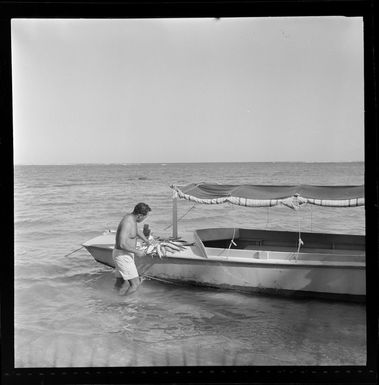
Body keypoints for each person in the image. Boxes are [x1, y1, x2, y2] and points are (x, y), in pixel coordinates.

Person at [113, 202, 151, 296]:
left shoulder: (132, 219)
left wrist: (147, 241)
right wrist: (137, 251)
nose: (143, 220)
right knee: (135, 284)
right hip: (123, 255)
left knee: (120, 281)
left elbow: (136, 231)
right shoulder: (127, 222)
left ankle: (114, 300)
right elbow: (121, 244)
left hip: (124, 254)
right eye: (144, 218)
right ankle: (123, 303)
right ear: (139, 215)